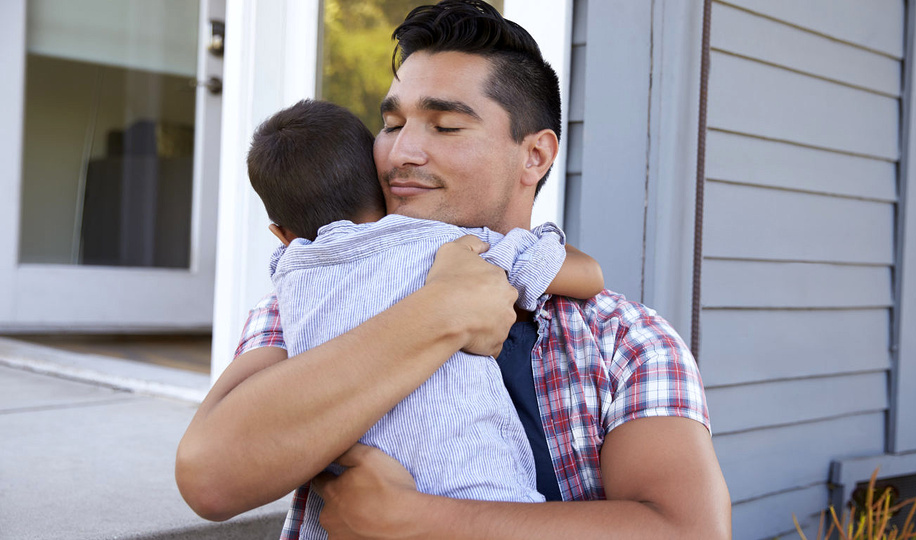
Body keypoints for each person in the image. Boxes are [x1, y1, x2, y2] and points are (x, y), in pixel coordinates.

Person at [176, 1, 732, 538]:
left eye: (445, 127)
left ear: (534, 156)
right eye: (392, 124)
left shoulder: (624, 341)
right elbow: (212, 478)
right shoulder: (314, 292)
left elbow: (690, 530)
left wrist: (418, 524)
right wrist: (439, 312)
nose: (400, 153)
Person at [246, 98, 604, 537]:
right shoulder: (444, 244)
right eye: (392, 125)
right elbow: (587, 276)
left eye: (446, 127)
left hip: (343, 513)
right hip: (480, 496)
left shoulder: (287, 279)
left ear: (280, 235)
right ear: (381, 190)